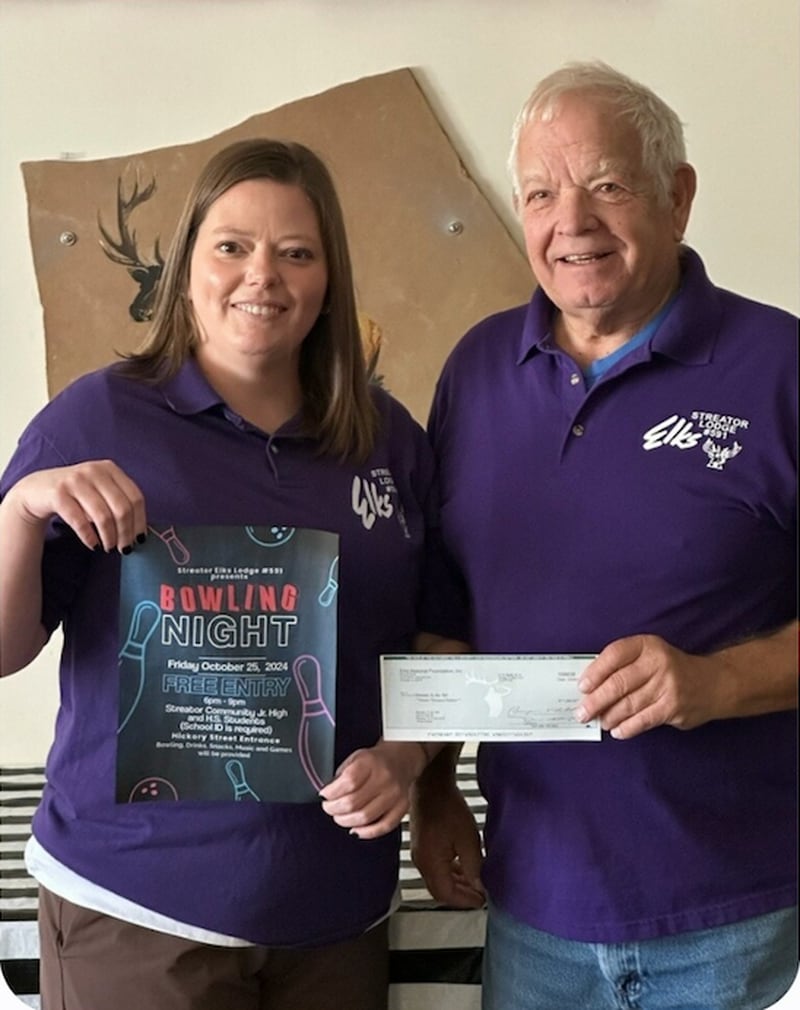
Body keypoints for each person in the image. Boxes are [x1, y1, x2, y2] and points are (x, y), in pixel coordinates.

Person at [0, 138, 439, 1010]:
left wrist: (411, 755)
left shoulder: (387, 439)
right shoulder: (97, 415)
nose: (262, 276)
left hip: (334, 910)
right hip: (138, 909)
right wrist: (19, 511)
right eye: (232, 246)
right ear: (188, 264)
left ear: (329, 278)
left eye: (296, 252)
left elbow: (434, 631)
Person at [411, 61, 798, 1010]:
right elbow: (446, 610)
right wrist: (434, 789)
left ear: (678, 197)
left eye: (608, 186)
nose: (570, 222)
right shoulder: (476, 371)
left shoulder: (782, 368)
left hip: (735, 920)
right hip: (532, 909)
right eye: (541, 193)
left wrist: (715, 682)